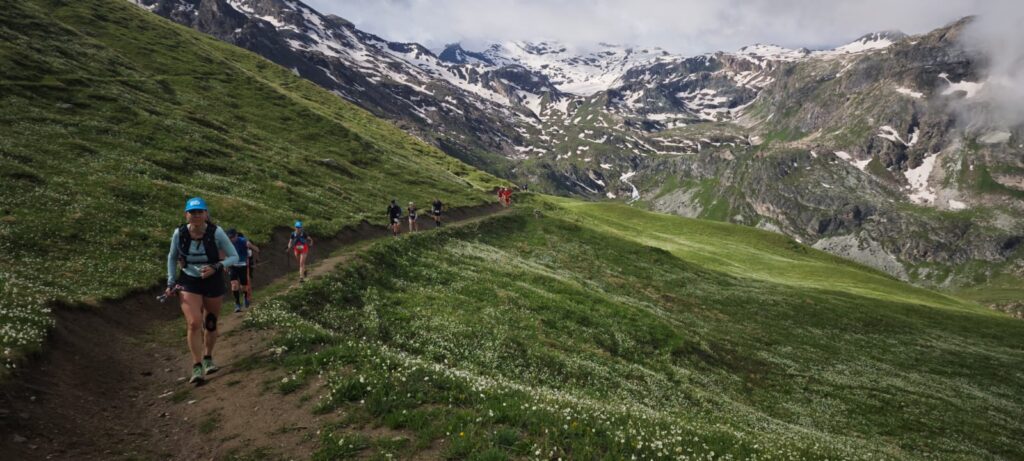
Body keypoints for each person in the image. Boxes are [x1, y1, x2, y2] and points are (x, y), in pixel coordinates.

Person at [164, 197, 239, 385]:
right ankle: (197, 366)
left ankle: (208, 357)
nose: (196, 215)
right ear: (186, 214)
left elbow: (234, 256)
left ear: (206, 214)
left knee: (210, 323)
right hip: (189, 280)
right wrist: (171, 281)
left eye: (200, 212)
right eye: (192, 212)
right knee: (194, 323)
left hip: (213, 280)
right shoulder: (179, 233)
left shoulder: (216, 232)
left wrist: (216, 267)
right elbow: (172, 257)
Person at [226, 228, 259, 312]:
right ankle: (237, 304)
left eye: (232, 237)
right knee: (234, 284)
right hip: (233, 266)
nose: (231, 239)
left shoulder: (243, 241)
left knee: (243, 286)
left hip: (243, 265)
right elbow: (224, 253)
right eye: (229, 237)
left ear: (236, 236)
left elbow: (257, 249)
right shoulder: (227, 242)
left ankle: (245, 297)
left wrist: (250, 246)